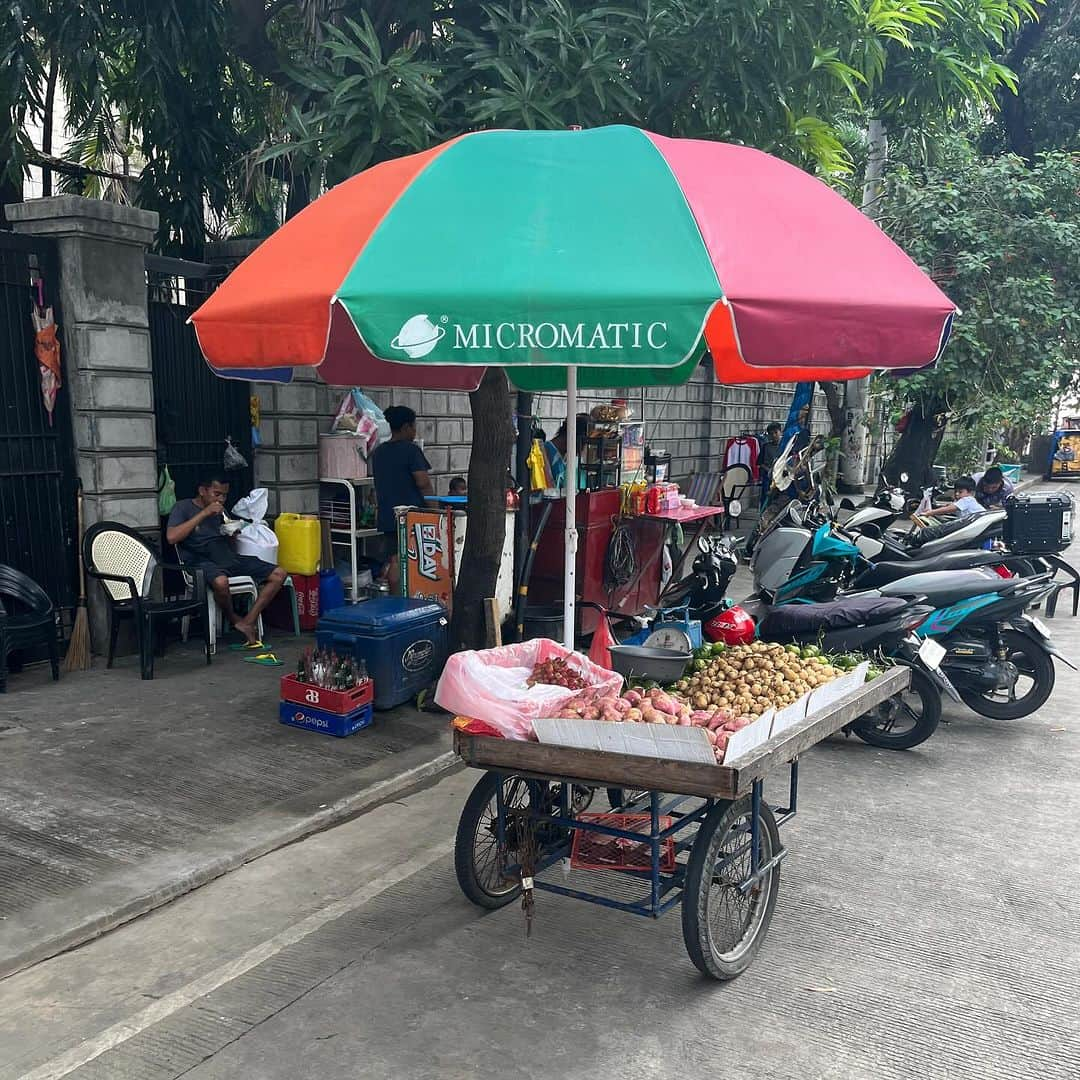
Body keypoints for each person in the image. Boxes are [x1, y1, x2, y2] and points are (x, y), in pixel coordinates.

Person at [165, 473, 286, 645]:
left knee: (279, 574)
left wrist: (232, 533)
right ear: (202, 491)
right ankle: (234, 619)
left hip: (228, 558)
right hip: (200, 561)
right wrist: (204, 513)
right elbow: (171, 537)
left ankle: (248, 621)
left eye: (224, 495)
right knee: (221, 583)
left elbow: (228, 541)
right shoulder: (183, 507)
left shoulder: (221, 512)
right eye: (217, 494)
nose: (221, 499)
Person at [370, 405, 434, 591]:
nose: (415, 431)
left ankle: (395, 598)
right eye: (414, 427)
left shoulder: (379, 452)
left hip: (388, 515)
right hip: (412, 516)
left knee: (395, 558)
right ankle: (410, 598)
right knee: (418, 559)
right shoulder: (411, 451)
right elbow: (423, 483)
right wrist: (433, 508)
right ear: (406, 427)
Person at [919, 476, 984, 520]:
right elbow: (949, 507)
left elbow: (949, 509)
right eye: (956, 491)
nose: (957, 494)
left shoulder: (968, 499)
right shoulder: (962, 502)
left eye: (960, 492)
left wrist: (930, 512)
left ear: (971, 493)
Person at [757, 422, 784, 503]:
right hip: (769, 477)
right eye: (771, 434)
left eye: (776, 432)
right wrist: (769, 471)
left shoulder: (786, 446)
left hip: (782, 476)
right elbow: (760, 463)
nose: (774, 435)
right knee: (766, 497)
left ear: (780, 432)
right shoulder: (766, 447)